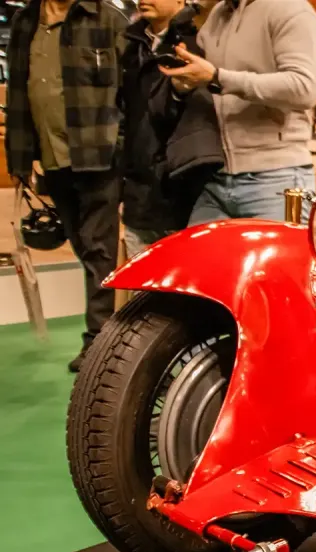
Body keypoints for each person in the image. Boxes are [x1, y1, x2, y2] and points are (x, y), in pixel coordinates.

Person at [5, 0, 129, 372]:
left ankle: (99, 342)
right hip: (52, 158)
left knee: (98, 248)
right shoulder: (25, 21)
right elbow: (18, 93)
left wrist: (119, 145)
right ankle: (107, 335)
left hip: (100, 158)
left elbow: (132, 90)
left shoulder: (107, 19)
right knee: (84, 246)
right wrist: (20, 158)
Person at [161, 0, 316, 224]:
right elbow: (206, 77)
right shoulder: (218, 14)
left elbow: (305, 87)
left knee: (280, 250)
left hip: (277, 177)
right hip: (216, 178)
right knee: (194, 248)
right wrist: (185, 83)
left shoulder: (290, 8)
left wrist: (218, 78)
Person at [119, 0, 222, 258]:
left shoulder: (202, 42)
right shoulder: (132, 45)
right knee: (142, 283)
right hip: (139, 197)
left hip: (188, 193)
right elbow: (126, 117)